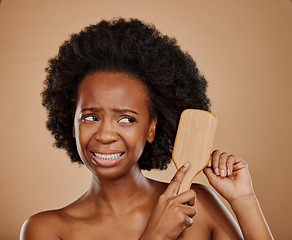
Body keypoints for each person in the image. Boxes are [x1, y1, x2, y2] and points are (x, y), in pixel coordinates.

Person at [20, 18, 274, 240]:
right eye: (90, 117)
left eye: (127, 119)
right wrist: (157, 235)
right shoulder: (46, 229)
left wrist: (244, 201)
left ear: (152, 127)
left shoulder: (200, 204)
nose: (105, 135)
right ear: (72, 124)